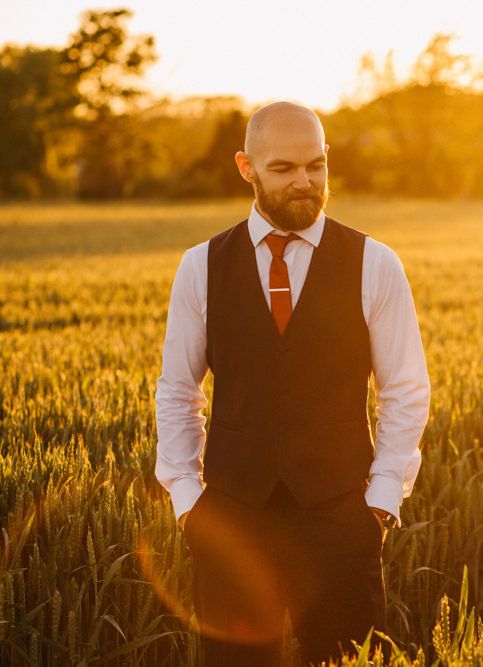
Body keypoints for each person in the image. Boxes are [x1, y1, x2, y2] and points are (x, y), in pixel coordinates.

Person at [155, 101, 430, 666]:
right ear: (245, 167)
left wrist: (379, 501)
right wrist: (188, 501)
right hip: (232, 521)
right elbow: (179, 391)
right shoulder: (200, 266)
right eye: (283, 168)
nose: (304, 182)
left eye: (316, 165)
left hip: (341, 521)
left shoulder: (374, 263)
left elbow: (405, 389)